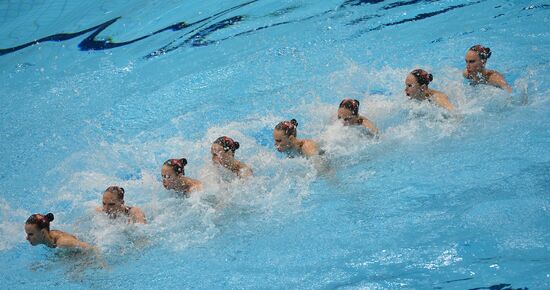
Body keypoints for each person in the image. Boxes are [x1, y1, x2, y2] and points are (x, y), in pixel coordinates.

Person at [25, 213, 89, 249]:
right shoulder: (49, 239)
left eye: (30, 234)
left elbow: (91, 249)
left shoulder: (64, 243)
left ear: (43, 232)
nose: (27, 238)